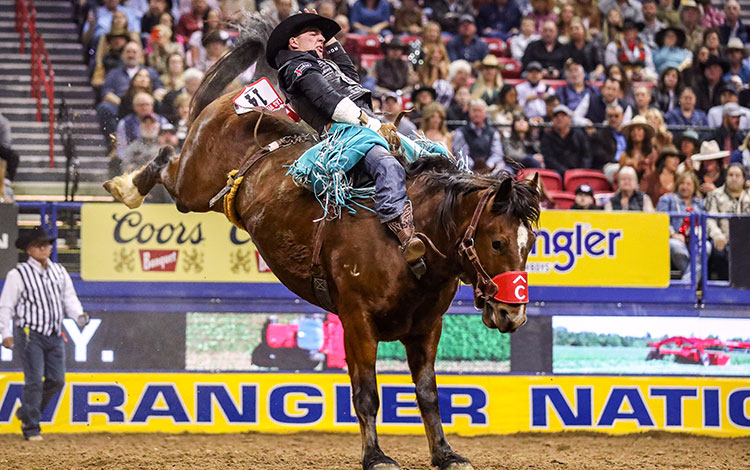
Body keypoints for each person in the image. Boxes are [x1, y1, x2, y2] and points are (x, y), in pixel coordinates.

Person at [268, 12, 428, 271]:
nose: (320, 38)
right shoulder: (296, 67)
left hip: (367, 127)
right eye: (313, 34)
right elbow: (328, 100)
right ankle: (402, 231)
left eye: (322, 35)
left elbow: (351, 79)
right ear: (293, 43)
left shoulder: (321, 63)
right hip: (344, 136)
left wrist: (329, 38)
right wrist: (373, 125)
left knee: (433, 158)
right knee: (387, 165)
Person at [0, 226, 89, 440]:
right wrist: (5, 332)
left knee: (57, 379)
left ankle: (28, 412)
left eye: (47, 244)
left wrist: (78, 316)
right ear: (29, 250)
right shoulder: (17, 274)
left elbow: (69, 298)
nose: (44, 248)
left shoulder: (59, 271)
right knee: (33, 380)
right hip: (31, 333)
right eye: (39, 245)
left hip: (54, 332)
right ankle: (31, 427)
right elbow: (6, 305)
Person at [656, 171, 706, 281]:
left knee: (706, 247)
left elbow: (706, 223)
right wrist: (673, 234)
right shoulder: (667, 199)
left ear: (694, 187)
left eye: (689, 184)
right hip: (677, 238)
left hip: (696, 238)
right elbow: (661, 221)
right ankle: (693, 282)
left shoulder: (700, 203)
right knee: (675, 245)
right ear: (677, 185)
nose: (685, 187)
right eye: (682, 183)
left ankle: (687, 284)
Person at [705, 163, 750, 279]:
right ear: (726, 177)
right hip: (724, 239)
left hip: (746, 240)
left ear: (743, 179)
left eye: (737, 175)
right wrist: (717, 234)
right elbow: (710, 218)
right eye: (730, 175)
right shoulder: (715, 195)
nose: (734, 178)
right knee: (718, 251)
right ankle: (724, 291)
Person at [452, 99, 505, 173]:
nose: (477, 114)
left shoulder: (493, 133)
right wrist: (475, 167)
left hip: (491, 170)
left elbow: (497, 154)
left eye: (480, 111)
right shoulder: (460, 132)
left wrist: (487, 166)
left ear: (485, 113)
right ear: (469, 112)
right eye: (474, 110)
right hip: (468, 170)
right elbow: (461, 154)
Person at [540, 104, 592, 176]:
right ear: (552, 120)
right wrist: (566, 172)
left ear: (569, 119)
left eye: (563, 115)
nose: (559, 118)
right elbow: (549, 159)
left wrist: (581, 171)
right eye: (556, 116)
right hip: (556, 173)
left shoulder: (579, 134)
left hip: (579, 173)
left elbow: (586, 155)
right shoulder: (547, 137)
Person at [592, 103, 626, 174]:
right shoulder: (599, 135)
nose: (613, 119)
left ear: (622, 117)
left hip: (627, 164)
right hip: (609, 166)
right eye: (610, 116)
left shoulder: (628, 134)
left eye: (616, 116)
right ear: (606, 117)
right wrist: (620, 162)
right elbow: (601, 157)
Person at [0, 112, 18, 201]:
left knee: (13, 156)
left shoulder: (3, 122)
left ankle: (7, 180)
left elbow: (6, 144)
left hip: (1, 147)